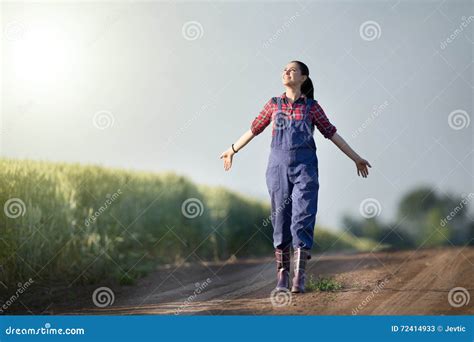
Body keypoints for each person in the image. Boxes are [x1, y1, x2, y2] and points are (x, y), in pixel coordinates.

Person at [219, 60, 372, 294]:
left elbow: (332, 134)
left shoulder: (312, 107)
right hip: (277, 168)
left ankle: (299, 275)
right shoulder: (273, 104)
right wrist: (232, 149)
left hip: (305, 168)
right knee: (280, 220)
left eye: (292, 70)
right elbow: (253, 129)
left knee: (302, 218)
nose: (286, 72)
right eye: (284, 69)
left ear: (303, 77)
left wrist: (356, 158)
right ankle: (283, 273)